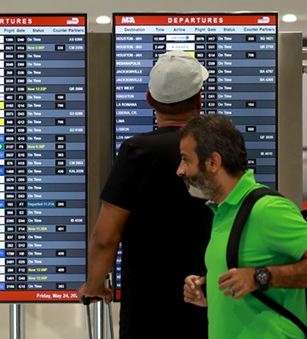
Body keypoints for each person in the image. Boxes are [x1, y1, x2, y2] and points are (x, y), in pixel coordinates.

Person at [77, 50, 213, 338]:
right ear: (199, 99)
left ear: (150, 99)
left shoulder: (138, 152)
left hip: (150, 312)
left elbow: (106, 236)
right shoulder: (219, 148)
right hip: (215, 303)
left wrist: (94, 285)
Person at [178, 114, 307, 338]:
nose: (180, 170)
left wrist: (259, 277)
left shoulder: (267, 210)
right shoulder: (223, 212)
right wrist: (209, 292)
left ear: (213, 162)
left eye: (185, 160)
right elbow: (246, 282)